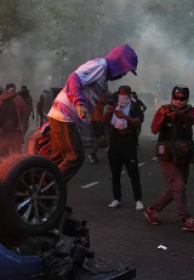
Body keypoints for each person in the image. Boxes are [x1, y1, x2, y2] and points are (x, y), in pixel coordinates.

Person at [46, 44, 138, 182]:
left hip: (63, 115)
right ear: (118, 63)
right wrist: (79, 104)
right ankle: (50, 188)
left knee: (58, 158)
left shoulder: (103, 77)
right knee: (75, 157)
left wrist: (87, 118)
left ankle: (48, 194)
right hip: (65, 115)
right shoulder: (100, 66)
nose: (123, 75)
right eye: (124, 70)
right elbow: (74, 79)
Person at [143, 85, 194, 231]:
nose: (178, 101)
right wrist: (163, 115)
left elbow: (192, 120)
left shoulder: (191, 111)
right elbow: (154, 129)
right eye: (175, 97)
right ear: (171, 97)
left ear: (186, 99)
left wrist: (178, 114)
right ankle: (186, 218)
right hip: (166, 154)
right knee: (178, 185)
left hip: (183, 153)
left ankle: (152, 210)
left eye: (182, 98)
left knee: (176, 187)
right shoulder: (163, 110)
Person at [105, 86, 144, 210]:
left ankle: (138, 200)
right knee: (115, 173)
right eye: (120, 94)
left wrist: (125, 117)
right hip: (115, 141)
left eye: (124, 94)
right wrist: (108, 113)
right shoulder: (113, 104)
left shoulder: (134, 105)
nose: (122, 96)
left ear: (128, 94)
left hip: (129, 141)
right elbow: (103, 121)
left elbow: (138, 121)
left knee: (133, 173)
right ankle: (116, 198)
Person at [0, 83, 29, 157]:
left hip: (3, 130)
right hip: (16, 130)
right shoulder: (19, 99)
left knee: (4, 153)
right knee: (16, 154)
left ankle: (4, 167)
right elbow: (26, 113)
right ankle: (16, 168)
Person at [88, 94, 110, 164]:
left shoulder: (92, 97)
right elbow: (103, 109)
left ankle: (94, 154)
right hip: (98, 119)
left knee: (104, 136)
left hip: (95, 119)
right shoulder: (100, 98)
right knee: (103, 137)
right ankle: (92, 154)